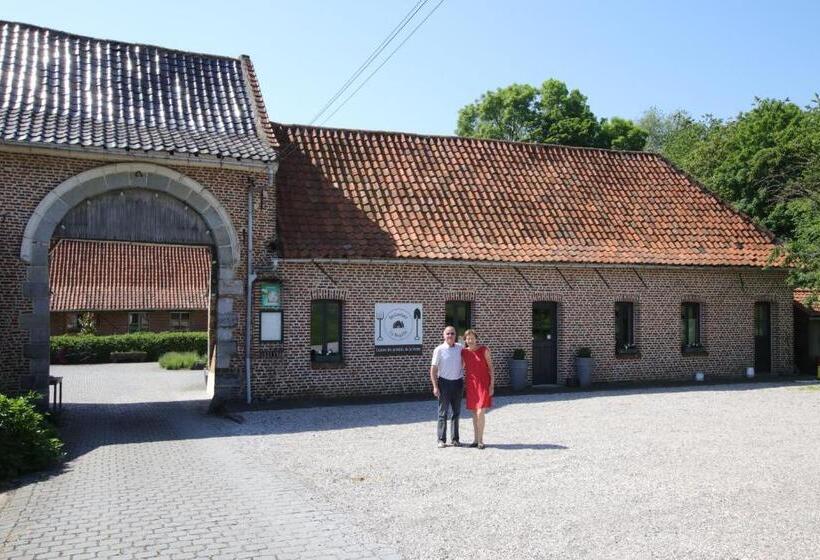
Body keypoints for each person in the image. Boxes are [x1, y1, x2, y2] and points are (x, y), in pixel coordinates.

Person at [430, 325, 464, 448]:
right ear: (443, 335)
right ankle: (441, 439)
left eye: (452, 333)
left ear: (456, 335)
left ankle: (455, 439)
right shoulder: (439, 350)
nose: (450, 335)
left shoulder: (461, 348)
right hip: (443, 383)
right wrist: (435, 386)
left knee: (456, 412)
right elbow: (433, 369)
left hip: (458, 383)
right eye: (448, 333)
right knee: (442, 413)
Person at [461, 329, 494, 449]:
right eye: (467, 338)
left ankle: (481, 440)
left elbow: (491, 368)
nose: (470, 340)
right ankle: (475, 439)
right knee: (474, 413)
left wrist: (492, 385)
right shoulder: (464, 352)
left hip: (484, 385)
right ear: (465, 340)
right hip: (471, 385)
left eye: (472, 338)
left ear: (476, 338)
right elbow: (461, 366)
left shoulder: (484, 350)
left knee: (480, 412)